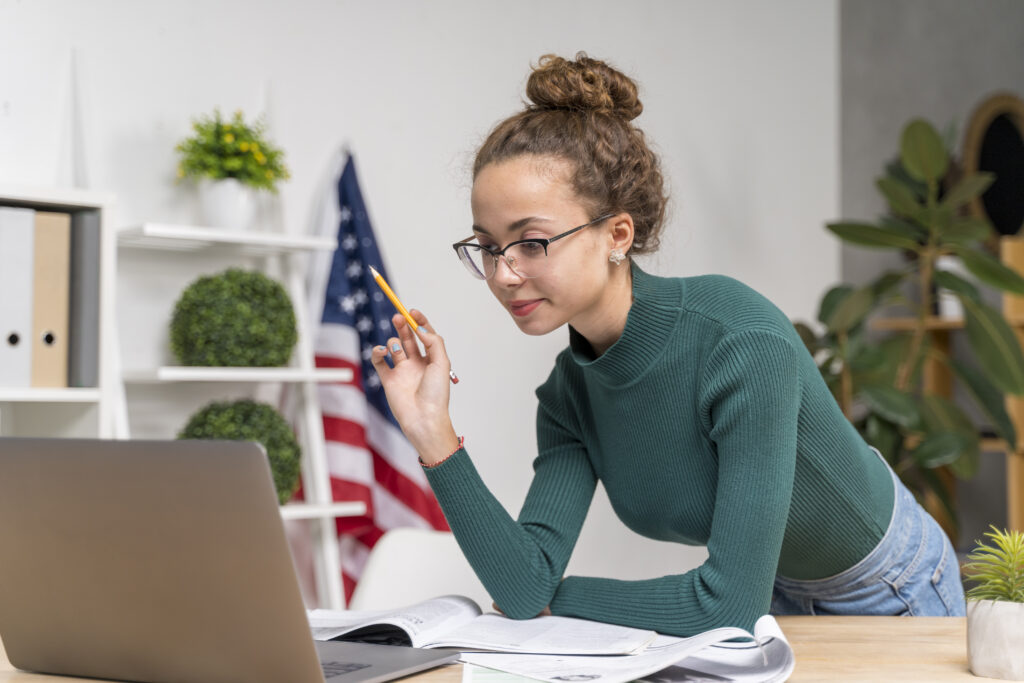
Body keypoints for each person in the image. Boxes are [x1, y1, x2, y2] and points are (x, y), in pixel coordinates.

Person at [368, 52, 966, 637]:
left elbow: (726, 604)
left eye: (532, 242)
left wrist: (562, 598)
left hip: (888, 588)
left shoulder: (739, 340)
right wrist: (432, 432)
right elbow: (525, 587)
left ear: (617, 235)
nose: (503, 274)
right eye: (490, 247)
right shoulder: (568, 394)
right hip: (777, 592)